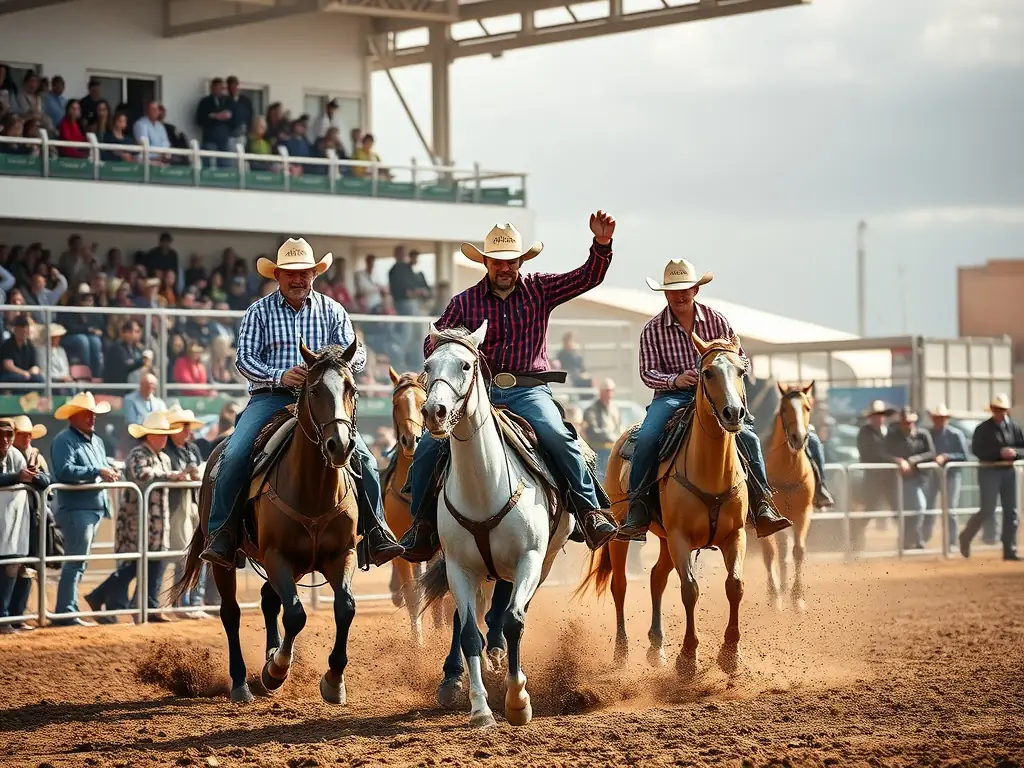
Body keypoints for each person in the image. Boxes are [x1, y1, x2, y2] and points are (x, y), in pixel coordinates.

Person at [400, 215, 621, 561]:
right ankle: (422, 526)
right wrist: (452, 352)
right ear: (486, 262)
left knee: (557, 435)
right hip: (478, 392)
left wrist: (601, 245)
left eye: (512, 261)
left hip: (528, 390)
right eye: (498, 261)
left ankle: (588, 511)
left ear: (521, 261)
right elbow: (435, 343)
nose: (505, 267)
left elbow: (587, 277)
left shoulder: (540, 289)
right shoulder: (464, 302)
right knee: (429, 446)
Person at [200, 238, 404, 569]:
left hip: (325, 400)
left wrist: (336, 367)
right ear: (278, 275)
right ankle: (221, 534)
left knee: (365, 458)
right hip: (271, 398)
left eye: (304, 272)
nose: (298, 279)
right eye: (291, 273)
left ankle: (376, 533)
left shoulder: (333, 310)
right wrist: (280, 375)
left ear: (314, 274)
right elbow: (244, 360)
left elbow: (359, 352)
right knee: (235, 453)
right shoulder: (258, 311)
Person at [616, 259, 794, 541]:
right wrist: (676, 380)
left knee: (749, 437)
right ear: (665, 293)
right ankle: (638, 511)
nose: (680, 294)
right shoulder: (652, 329)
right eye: (674, 290)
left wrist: (723, 367)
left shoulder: (717, 320)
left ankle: (762, 505)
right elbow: (647, 373)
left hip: (717, 394)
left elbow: (742, 360)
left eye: (686, 288)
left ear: (696, 290)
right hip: (672, 396)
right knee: (648, 437)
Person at [86, 411, 186, 623]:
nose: (164, 438)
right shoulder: (137, 454)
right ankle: (105, 598)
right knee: (134, 565)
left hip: (157, 523)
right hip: (137, 523)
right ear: (148, 435)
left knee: (154, 563)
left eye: (165, 434)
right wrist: (170, 476)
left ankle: (145, 606)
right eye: (160, 434)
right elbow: (142, 476)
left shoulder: (163, 458)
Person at [49, 392, 119, 626]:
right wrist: (98, 471)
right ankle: (66, 611)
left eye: (93, 413)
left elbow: (96, 466)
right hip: (76, 509)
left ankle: (68, 609)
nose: (92, 417)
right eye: (87, 413)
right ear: (74, 416)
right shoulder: (64, 440)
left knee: (79, 561)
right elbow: (64, 471)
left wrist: (108, 468)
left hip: (92, 507)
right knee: (76, 561)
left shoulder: (94, 440)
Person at [959, 393, 1023, 561]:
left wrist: (1015, 453)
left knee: (1012, 511)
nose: (998, 412)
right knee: (988, 508)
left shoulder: (1014, 428)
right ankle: (966, 536)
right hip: (990, 471)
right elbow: (977, 450)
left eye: (1001, 409)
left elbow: (1022, 449)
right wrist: (998, 453)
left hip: (1008, 472)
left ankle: (1009, 548)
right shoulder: (983, 429)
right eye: (996, 409)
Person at [884, 407, 936, 550]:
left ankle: (910, 539)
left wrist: (915, 459)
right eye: (904, 422)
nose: (907, 425)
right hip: (901, 479)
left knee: (916, 509)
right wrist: (899, 460)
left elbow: (931, 453)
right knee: (916, 508)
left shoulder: (923, 435)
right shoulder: (893, 436)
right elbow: (885, 453)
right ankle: (913, 540)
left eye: (909, 422)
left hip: (921, 477)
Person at [924, 403, 969, 550]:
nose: (939, 420)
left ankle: (951, 542)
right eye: (937, 418)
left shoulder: (956, 435)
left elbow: (964, 456)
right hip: (933, 475)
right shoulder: (928, 434)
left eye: (942, 418)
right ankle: (924, 538)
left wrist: (947, 457)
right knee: (929, 507)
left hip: (951, 475)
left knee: (950, 509)